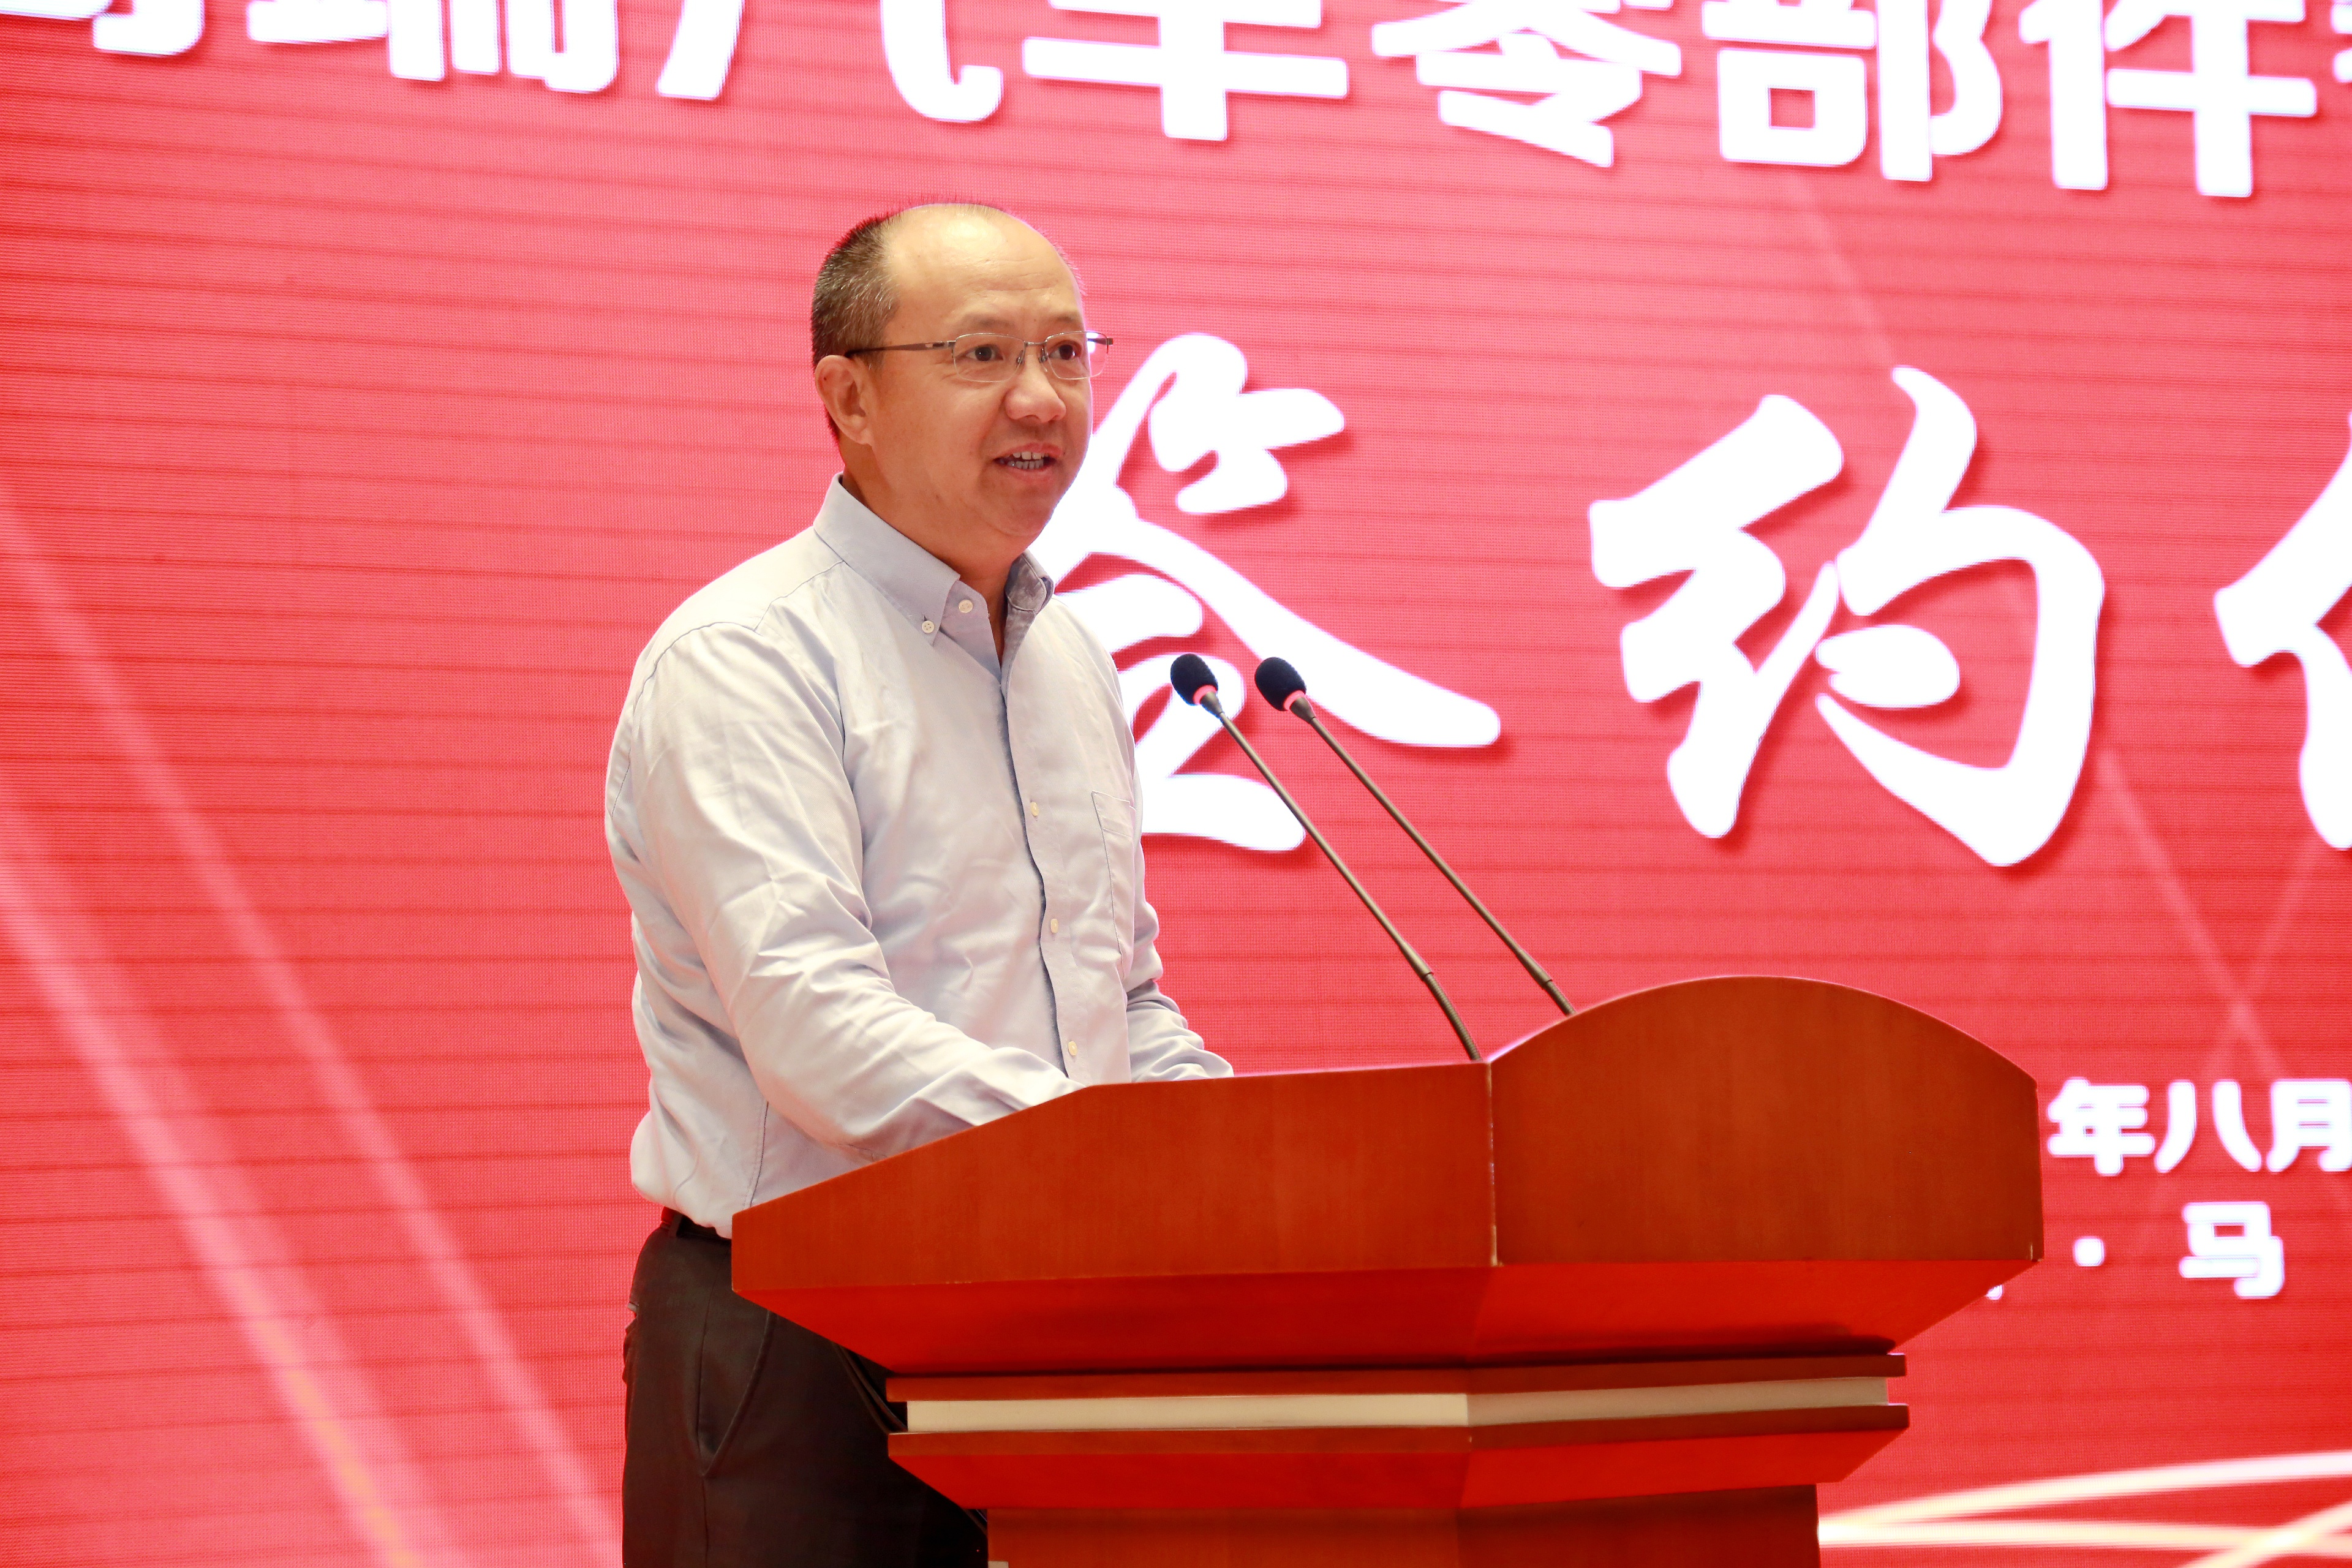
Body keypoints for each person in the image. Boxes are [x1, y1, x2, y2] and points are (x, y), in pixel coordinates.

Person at [605, 203, 1231, 1567]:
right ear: (850, 400)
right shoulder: (749, 656)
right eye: (982, 354)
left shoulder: (1071, 661)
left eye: (1066, 353)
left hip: (1058, 1339)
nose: (1041, 398)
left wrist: (1255, 1157)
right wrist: (1108, 1156)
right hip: (804, 1346)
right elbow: (818, 1034)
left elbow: (1121, 999)